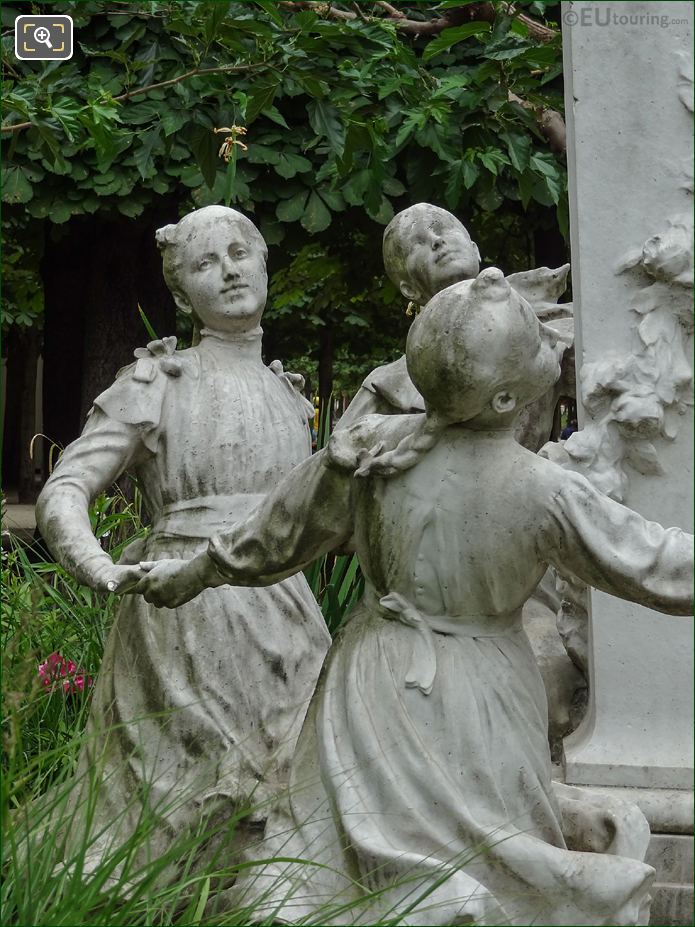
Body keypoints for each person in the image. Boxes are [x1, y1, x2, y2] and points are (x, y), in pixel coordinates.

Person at [134, 269, 693, 925]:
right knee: (480, 862)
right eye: (538, 346)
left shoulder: (368, 454)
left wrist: (194, 570)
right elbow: (656, 564)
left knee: (350, 871)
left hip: (366, 680)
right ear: (507, 396)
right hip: (479, 695)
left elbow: (269, 538)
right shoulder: (541, 488)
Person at [35, 205, 331, 884]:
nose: (228, 271)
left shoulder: (289, 396)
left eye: (238, 253)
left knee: (285, 807)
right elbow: (65, 487)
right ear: (180, 292)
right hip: (184, 622)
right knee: (171, 815)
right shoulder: (157, 384)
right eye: (204, 263)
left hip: (286, 617)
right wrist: (96, 562)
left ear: (263, 263)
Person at [338, 203, 574, 453]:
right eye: (416, 244)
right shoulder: (387, 385)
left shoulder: (545, 332)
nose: (436, 240)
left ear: (475, 250)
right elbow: (336, 457)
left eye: (443, 229)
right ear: (410, 289)